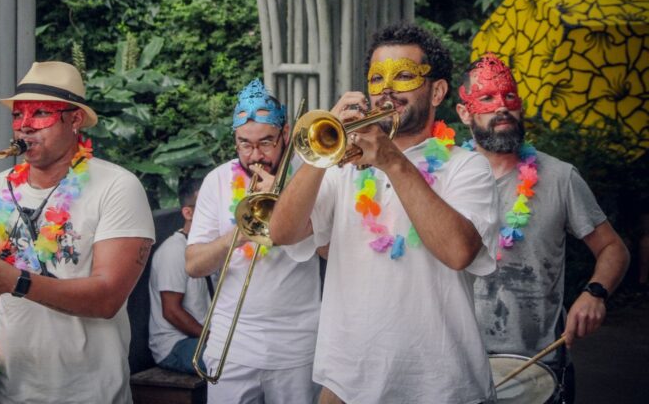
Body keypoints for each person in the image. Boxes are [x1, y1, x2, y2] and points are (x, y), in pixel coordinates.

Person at [269, 23, 501, 403]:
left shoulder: (466, 167)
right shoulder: (343, 167)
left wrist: (392, 160)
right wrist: (320, 154)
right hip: (346, 381)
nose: (388, 89)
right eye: (377, 79)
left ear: (437, 90)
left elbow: (459, 252)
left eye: (405, 76)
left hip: (440, 384)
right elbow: (281, 231)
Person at [0, 61, 155, 403]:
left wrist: (16, 281)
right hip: (4, 393)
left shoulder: (118, 187)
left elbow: (107, 299)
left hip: (89, 393)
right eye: (18, 116)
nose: (25, 127)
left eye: (41, 113)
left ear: (75, 119)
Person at [456, 54, 630, 402]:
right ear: (465, 113)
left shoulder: (560, 177)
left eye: (510, 97)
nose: (501, 107)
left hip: (539, 363)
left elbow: (613, 249)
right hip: (456, 363)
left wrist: (595, 293)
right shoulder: (445, 178)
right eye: (487, 98)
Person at [185, 79, 321, 403]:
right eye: (244, 144)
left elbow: (330, 248)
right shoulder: (217, 181)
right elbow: (193, 265)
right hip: (232, 344)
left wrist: (285, 200)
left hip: (299, 346)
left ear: (285, 134)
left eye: (265, 143)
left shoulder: (309, 178)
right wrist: (243, 228)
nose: (254, 155)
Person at [148, 179, 211, 374]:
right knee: (234, 360)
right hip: (176, 345)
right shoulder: (173, 251)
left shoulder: (211, 248)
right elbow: (172, 311)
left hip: (201, 338)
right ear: (188, 212)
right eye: (206, 206)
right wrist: (212, 338)